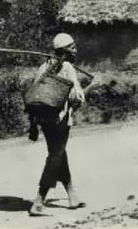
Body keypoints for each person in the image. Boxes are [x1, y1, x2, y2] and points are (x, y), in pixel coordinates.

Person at [28, 33, 86, 216]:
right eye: (72, 47)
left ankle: (72, 196)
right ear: (65, 51)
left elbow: (35, 93)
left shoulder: (44, 66)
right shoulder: (68, 68)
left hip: (45, 120)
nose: (76, 50)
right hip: (61, 120)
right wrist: (94, 86)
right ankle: (39, 200)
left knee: (59, 154)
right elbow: (77, 98)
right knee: (55, 156)